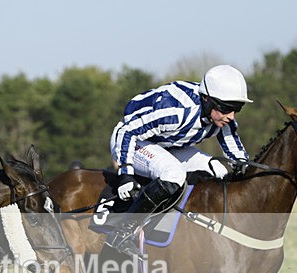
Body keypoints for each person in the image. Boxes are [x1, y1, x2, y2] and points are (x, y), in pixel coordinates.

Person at [106, 64, 252, 258]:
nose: (231, 116)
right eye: (226, 108)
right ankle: (122, 232)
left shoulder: (222, 117)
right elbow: (127, 132)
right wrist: (125, 173)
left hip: (168, 145)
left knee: (219, 171)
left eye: (237, 109)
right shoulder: (175, 113)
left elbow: (235, 153)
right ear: (207, 100)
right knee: (174, 174)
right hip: (133, 141)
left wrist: (245, 170)